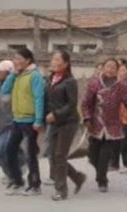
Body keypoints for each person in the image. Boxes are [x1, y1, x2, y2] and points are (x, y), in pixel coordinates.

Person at [82, 58, 127, 193]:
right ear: (103, 68)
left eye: (113, 67)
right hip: (95, 125)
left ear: (117, 70)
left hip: (112, 126)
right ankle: (100, 173)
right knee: (93, 156)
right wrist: (87, 117)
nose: (110, 69)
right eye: (108, 66)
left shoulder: (121, 86)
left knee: (105, 155)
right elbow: (86, 103)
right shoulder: (94, 83)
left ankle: (102, 180)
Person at [2, 48, 45, 196]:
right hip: (17, 119)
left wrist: (38, 120)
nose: (16, 61)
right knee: (10, 149)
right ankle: (17, 181)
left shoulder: (35, 76)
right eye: (14, 58)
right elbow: (5, 89)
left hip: (30, 120)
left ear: (28, 60)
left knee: (30, 154)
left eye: (19, 58)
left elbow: (39, 98)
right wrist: (13, 74)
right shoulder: (18, 75)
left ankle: (35, 185)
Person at [45, 50, 87, 201]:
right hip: (54, 122)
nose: (54, 62)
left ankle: (60, 190)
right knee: (54, 157)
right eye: (53, 59)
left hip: (68, 122)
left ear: (66, 64)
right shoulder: (51, 79)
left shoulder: (70, 81)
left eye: (57, 59)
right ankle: (77, 177)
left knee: (59, 156)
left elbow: (71, 104)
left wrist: (55, 114)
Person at [0, 60, 26, 185]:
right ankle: (13, 172)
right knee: (0, 151)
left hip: (13, 123)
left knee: (1, 150)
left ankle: (15, 175)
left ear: (8, 73)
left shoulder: (15, 86)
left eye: (1, 70)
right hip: (1, 125)